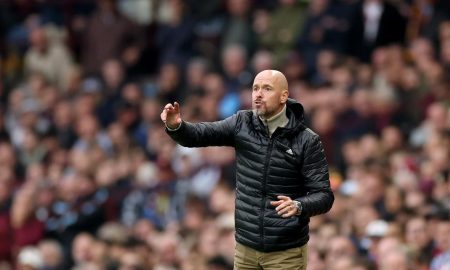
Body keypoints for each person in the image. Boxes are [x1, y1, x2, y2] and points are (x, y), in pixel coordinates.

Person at [160, 69, 334, 269]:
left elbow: (324, 196)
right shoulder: (242, 123)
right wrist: (176, 127)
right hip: (245, 249)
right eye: (255, 88)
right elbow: (200, 134)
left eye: (267, 89)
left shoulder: (307, 140)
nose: (258, 94)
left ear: (284, 96)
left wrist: (299, 206)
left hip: (285, 252)